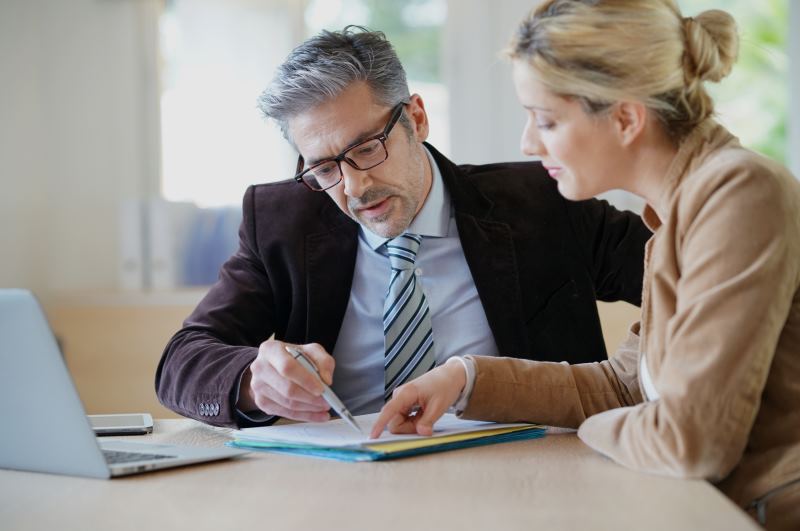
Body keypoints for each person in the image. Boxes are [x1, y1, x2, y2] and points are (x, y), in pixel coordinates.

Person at [370, 1, 800, 528]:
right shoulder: (680, 214)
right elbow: (627, 385)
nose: (528, 143)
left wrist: (597, 431)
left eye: (545, 120)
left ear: (624, 117)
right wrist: (465, 378)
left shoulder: (738, 194)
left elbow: (690, 443)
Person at [155, 26, 650, 431]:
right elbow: (182, 360)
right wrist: (250, 381)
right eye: (325, 168)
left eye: (367, 148)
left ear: (417, 117)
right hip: (345, 482)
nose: (354, 187)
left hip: (525, 474)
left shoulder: (542, 201)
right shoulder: (283, 220)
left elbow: (690, 280)